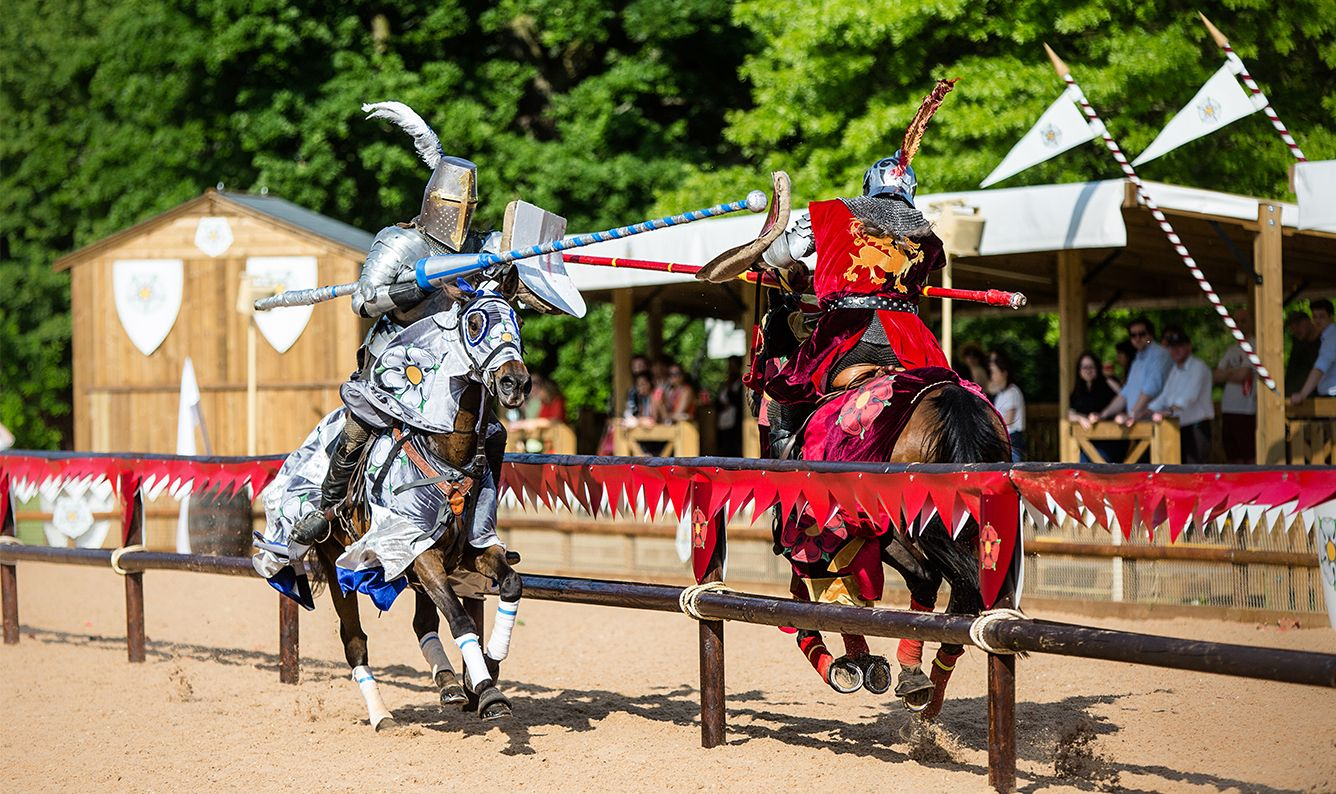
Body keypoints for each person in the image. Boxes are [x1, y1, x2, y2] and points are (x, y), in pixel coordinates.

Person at [291, 102, 499, 546]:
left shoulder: (482, 246)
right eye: (452, 204)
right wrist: (421, 285)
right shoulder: (401, 242)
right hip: (397, 359)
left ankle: (482, 534)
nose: (461, 215)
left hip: (453, 367)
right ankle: (328, 510)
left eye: (469, 206)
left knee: (491, 434)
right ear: (433, 202)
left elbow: (514, 288)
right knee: (359, 424)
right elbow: (364, 303)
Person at [762, 79, 959, 421]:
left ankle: (788, 465)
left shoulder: (835, 212)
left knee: (786, 394)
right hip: (911, 339)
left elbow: (779, 255)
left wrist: (767, 241)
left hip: (848, 331)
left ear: (869, 185)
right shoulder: (926, 235)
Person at [1148, 327, 1214, 464]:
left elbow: (1189, 397)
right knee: (1179, 471)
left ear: (1189, 347)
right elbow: (1164, 397)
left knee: (1195, 471)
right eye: (1172, 347)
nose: (1175, 350)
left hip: (1197, 428)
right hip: (1178, 428)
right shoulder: (1175, 370)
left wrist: (1167, 411)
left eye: (1180, 346)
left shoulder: (1198, 367)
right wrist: (1144, 411)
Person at [1099, 317, 1172, 427]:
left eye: (1142, 334)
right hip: (1137, 424)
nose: (1137, 338)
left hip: (1158, 425)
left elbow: (1151, 389)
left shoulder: (1160, 354)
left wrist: (1131, 414)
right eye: (1133, 335)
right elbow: (1125, 393)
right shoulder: (1137, 359)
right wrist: (1103, 415)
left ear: (1150, 336)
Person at [1215, 309, 1257, 464]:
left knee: (1249, 455)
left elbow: (1242, 375)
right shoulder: (1231, 349)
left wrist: (1228, 373)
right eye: (1236, 322)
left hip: (1246, 409)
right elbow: (1216, 375)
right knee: (1232, 455)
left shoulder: (1254, 345)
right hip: (1228, 408)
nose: (1239, 325)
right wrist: (1234, 373)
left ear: (1252, 322)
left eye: (1243, 321)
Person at [1068, 351, 1123, 462]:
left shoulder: (1108, 383)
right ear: (1079, 370)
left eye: (1091, 367)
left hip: (1112, 440)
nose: (1088, 370)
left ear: (1097, 368)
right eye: (1084, 367)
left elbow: (1125, 397)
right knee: (1083, 463)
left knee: (1098, 463)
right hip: (1089, 442)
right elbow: (1069, 413)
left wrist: (1102, 416)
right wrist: (1080, 418)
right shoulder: (1078, 391)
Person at [1290, 299, 1336, 404]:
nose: (1318, 321)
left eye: (1322, 316)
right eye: (1315, 317)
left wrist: (1302, 394)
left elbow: (1320, 368)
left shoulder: (1332, 338)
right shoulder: (1326, 337)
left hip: (1332, 397)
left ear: (1331, 317)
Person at [989, 351, 1025, 462]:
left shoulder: (1012, 392)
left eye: (994, 373)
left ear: (1004, 373)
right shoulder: (1001, 393)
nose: (992, 376)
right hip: (1003, 440)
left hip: (1012, 441)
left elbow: (1007, 420)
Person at [1285, 310, 1322, 396]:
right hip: (1295, 398)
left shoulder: (1325, 341)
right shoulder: (1297, 343)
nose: (1295, 330)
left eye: (1298, 324)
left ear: (1309, 321)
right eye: (1292, 327)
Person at [715, 356, 745, 457]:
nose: (731, 368)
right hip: (723, 422)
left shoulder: (742, 384)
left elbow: (739, 402)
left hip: (735, 423)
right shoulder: (724, 383)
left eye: (733, 365)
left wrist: (730, 391)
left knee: (734, 450)